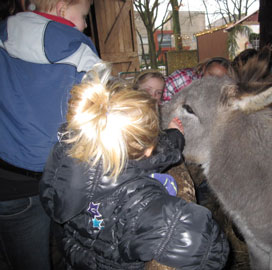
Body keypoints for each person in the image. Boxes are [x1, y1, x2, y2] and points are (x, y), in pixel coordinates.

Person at [39, 63, 229, 269]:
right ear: (147, 148)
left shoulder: (62, 159)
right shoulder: (139, 205)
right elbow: (211, 251)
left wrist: (173, 137)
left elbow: (136, 161)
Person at [0, 0, 100, 269]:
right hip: (63, 179)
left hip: (9, 184)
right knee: (73, 250)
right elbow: (102, 110)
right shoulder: (78, 49)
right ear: (61, 9)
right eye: (84, 16)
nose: (86, 26)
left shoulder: (3, 35)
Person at [162, 57, 236, 103]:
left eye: (219, 78)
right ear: (204, 68)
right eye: (211, 74)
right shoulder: (184, 77)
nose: (213, 80)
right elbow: (163, 98)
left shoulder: (222, 94)